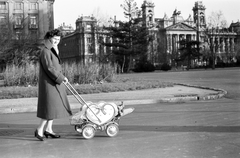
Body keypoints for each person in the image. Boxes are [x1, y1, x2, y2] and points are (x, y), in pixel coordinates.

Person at [35, 29, 72, 141]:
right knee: (49, 107)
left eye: (59, 39)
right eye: (55, 39)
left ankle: (49, 130)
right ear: (50, 38)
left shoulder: (52, 49)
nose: (57, 41)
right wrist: (62, 77)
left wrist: (61, 78)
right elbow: (49, 68)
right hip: (49, 83)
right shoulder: (46, 51)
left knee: (52, 107)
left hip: (54, 82)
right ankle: (40, 130)